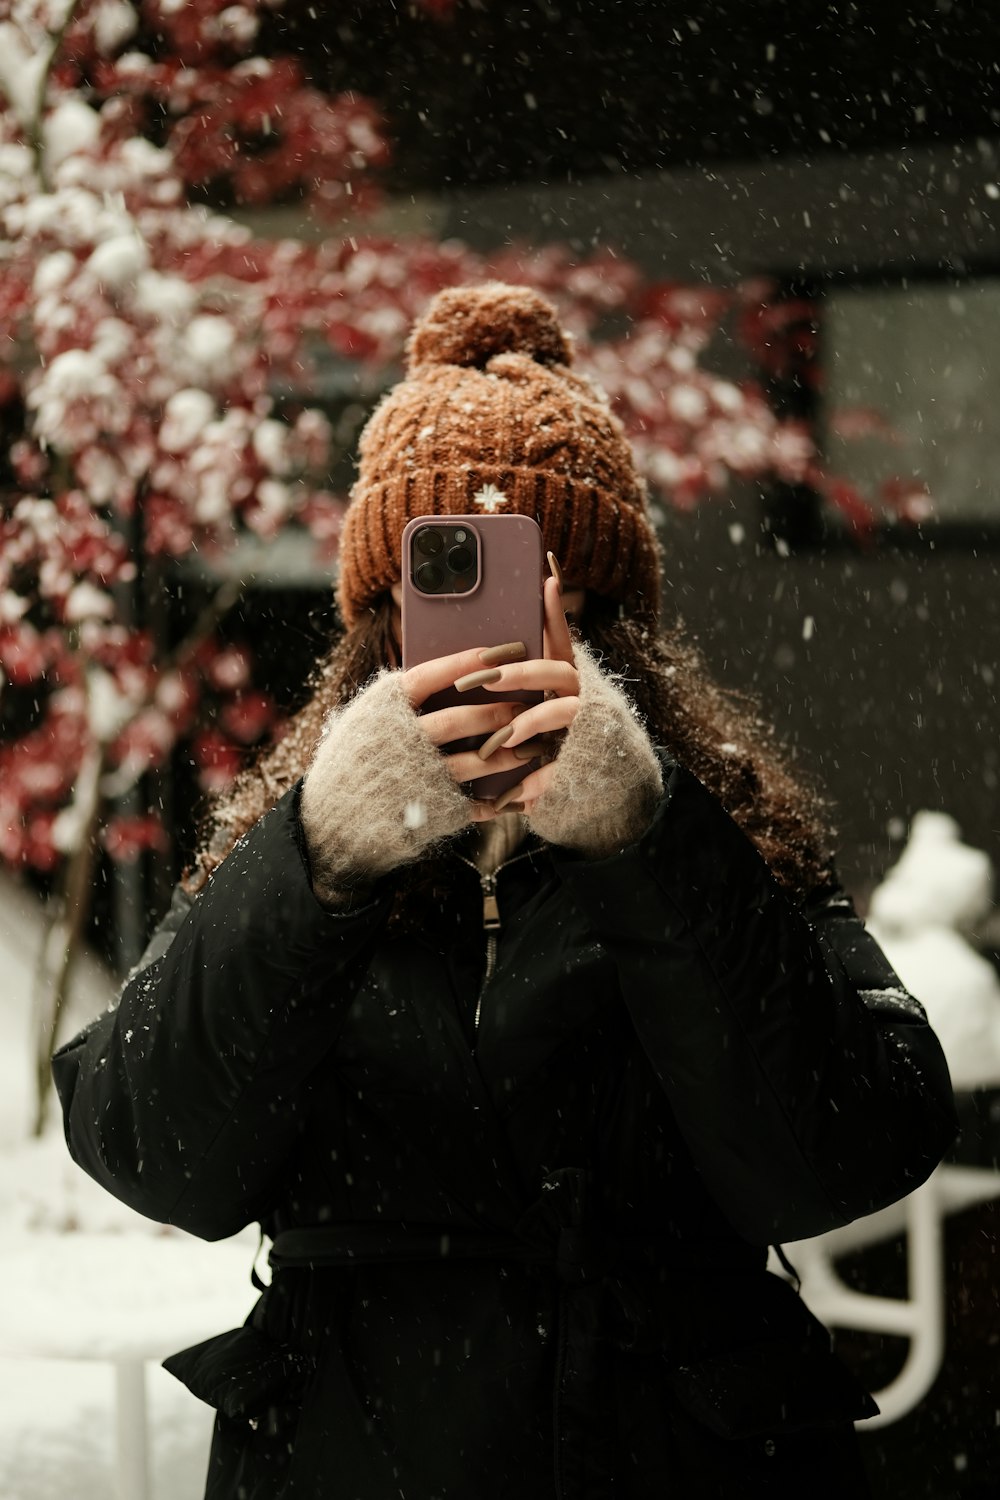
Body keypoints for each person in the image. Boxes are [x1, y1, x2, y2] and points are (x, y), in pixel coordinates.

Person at [54, 282, 957, 1500]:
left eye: (556, 609)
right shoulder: (295, 833)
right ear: (376, 619)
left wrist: (646, 837)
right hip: (353, 1455)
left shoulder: (723, 825)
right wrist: (320, 850)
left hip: (675, 1454)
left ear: (614, 624)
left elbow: (838, 1154)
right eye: (436, 605)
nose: (499, 649)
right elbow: (154, 1152)